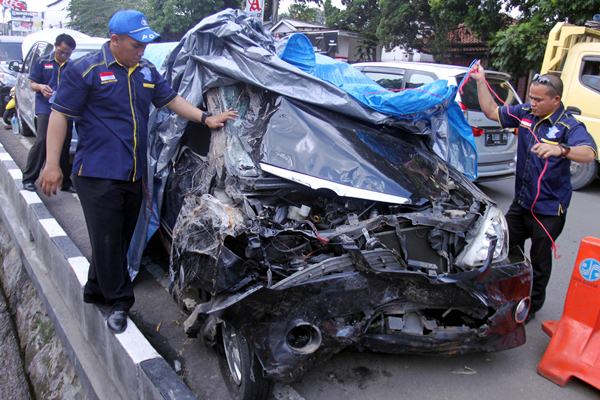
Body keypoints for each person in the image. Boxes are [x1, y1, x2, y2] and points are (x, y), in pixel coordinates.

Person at [38, 10, 237, 333]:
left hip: (133, 173)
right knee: (107, 239)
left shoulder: (145, 70)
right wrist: (51, 164)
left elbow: (171, 99)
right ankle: (120, 302)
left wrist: (205, 118)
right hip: (97, 173)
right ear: (114, 40)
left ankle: (95, 290)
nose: (141, 50)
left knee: (119, 238)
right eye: (135, 44)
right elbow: (60, 115)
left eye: (145, 44)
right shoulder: (85, 70)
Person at [471, 64, 597, 321]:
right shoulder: (526, 114)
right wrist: (480, 81)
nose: (533, 103)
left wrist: (561, 149)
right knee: (503, 248)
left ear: (556, 100)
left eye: (539, 99)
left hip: (549, 210)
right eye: (531, 97)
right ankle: (502, 295)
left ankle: (532, 305)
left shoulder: (568, 126)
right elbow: (491, 111)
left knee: (539, 262)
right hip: (521, 205)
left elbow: (589, 153)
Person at [22, 34, 76, 192]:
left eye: (68, 53)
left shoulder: (72, 66)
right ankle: (29, 178)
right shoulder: (42, 62)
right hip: (45, 106)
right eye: (61, 52)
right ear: (56, 46)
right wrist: (40, 87)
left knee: (65, 143)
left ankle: (65, 181)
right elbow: (32, 83)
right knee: (42, 140)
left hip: (65, 107)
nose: (64, 56)